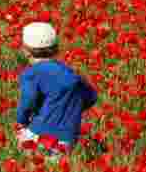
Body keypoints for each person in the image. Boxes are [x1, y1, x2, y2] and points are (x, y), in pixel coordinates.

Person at [15, 22, 98, 162]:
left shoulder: (32, 74)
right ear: (56, 48)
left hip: (40, 134)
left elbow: (28, 101)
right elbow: (91, 97)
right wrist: (72, 110)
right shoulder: (71, 74)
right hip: (67, 138)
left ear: (26, 51)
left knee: (23, 148)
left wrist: (21, 120)